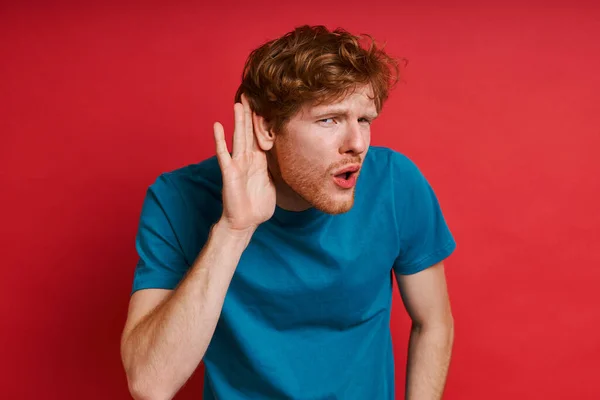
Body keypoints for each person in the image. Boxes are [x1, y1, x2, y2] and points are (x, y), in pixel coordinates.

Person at [120, 24, 457, 400]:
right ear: (265, 128)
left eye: (364, 120)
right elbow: (150, 384)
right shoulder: (177, 198)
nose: (358, 144)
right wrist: (234, 230)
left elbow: (434, 322)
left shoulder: (396, 184)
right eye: (329, 119)